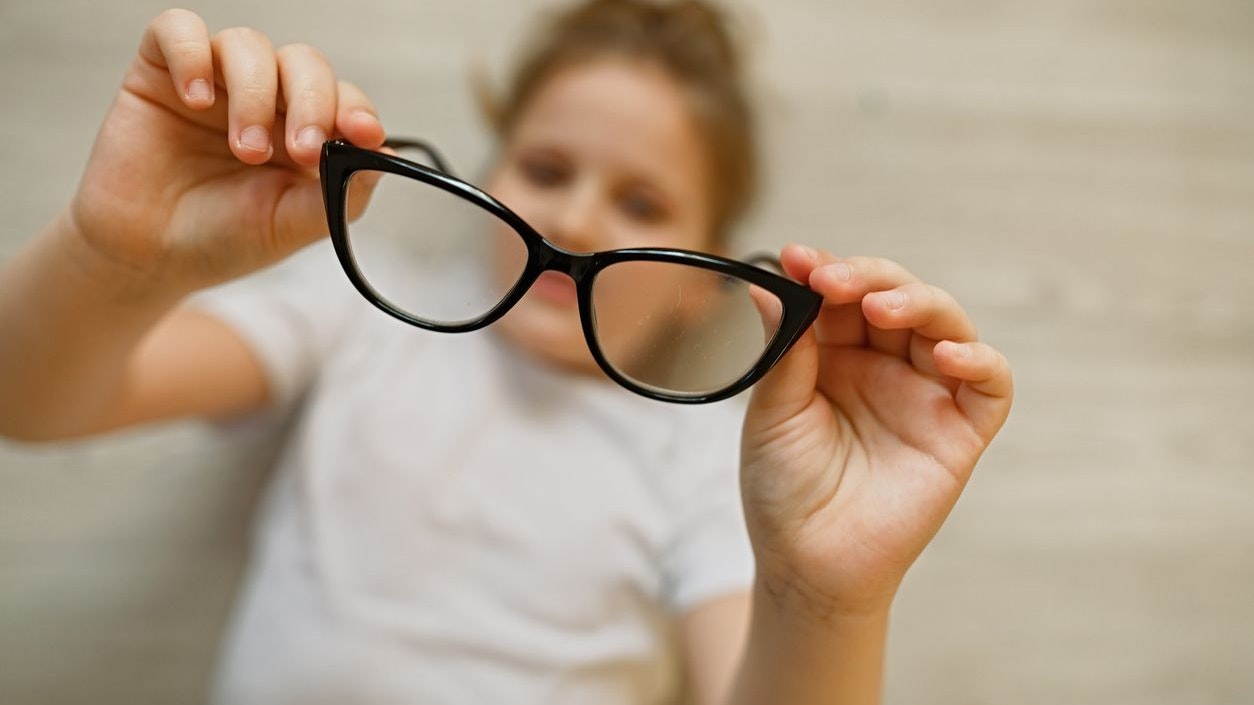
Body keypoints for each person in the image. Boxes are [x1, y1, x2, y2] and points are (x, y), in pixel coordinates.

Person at [0, 1, 1013, 704]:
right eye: (547, 166)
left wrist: (824, 597)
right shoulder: (356, 316)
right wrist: (112, 255)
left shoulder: (711, 458)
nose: (576, 214)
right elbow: (31, 400)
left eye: (642, 201)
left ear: (708, 277)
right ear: (489, 174)